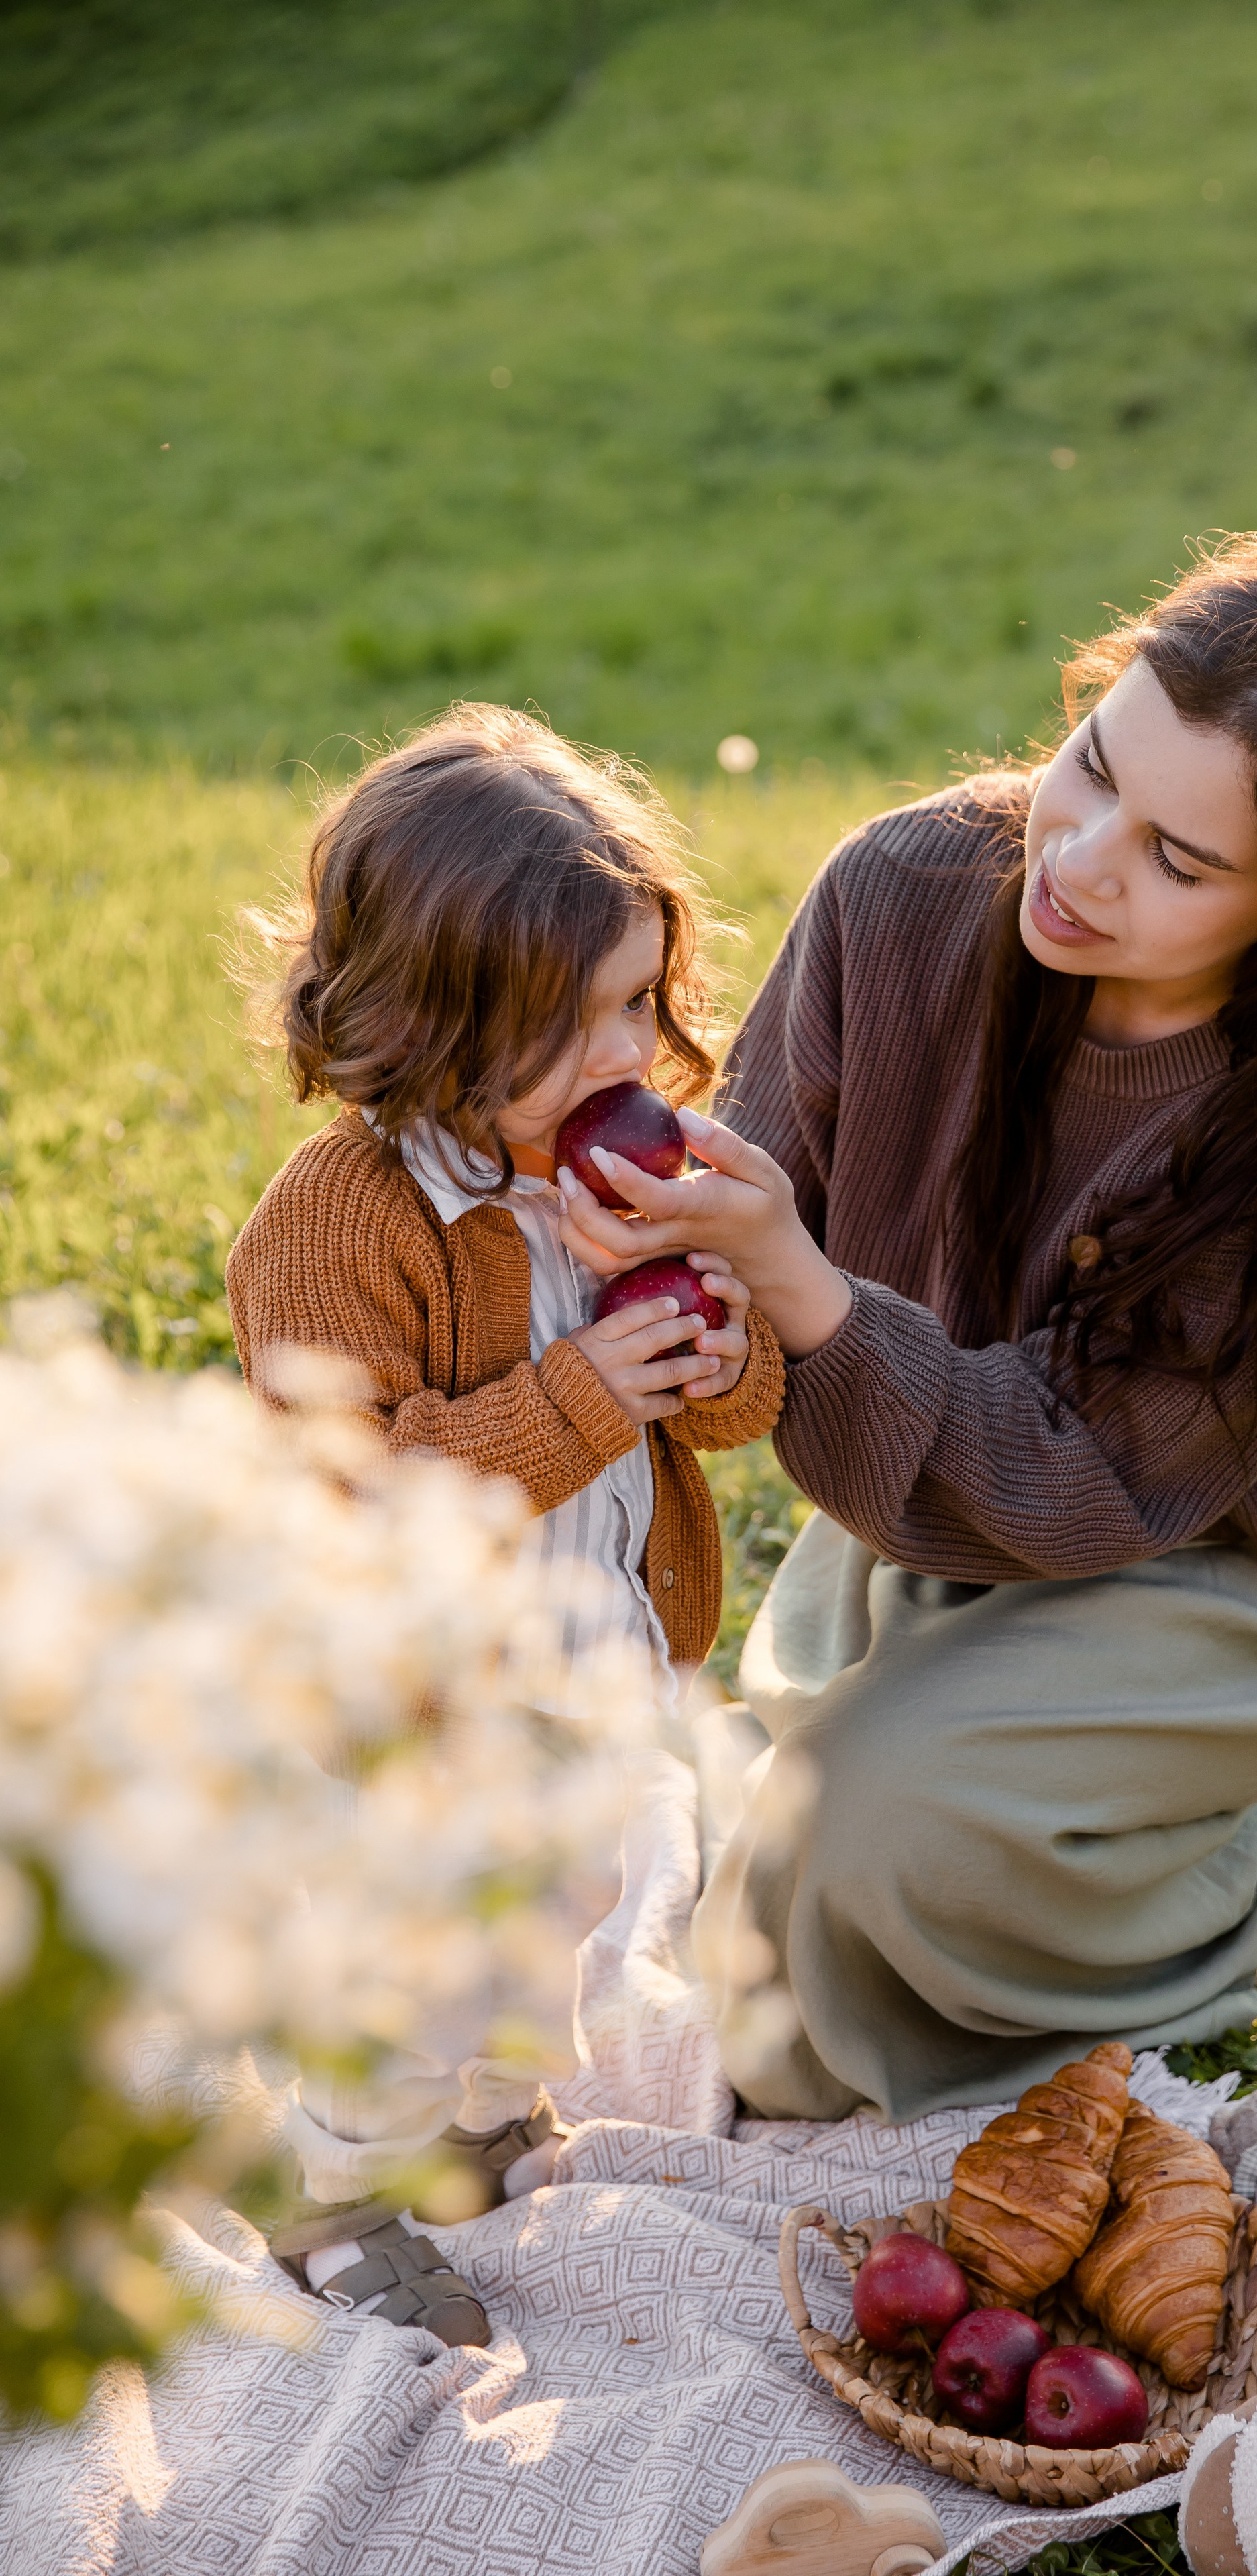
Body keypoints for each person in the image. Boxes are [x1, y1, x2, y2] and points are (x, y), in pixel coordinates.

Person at [556, 533, 1257, 2125]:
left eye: (1181, 861)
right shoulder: (902, 891)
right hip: (953, 1482)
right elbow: (726, 1242)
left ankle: (1208, 1893)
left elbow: (1074, 1485)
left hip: (1227, 1558)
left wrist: (797, 1279)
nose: (1085, 858)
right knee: (737, 1876)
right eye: (1093, 762)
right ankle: (1057, 1812)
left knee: (833, 1880)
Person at [226, 704, 782, 2337]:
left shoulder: (601, 1177)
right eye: (577, 1022)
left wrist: (711, 1339)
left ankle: (469, 2119)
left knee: (568, 1912)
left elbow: (731, 1424)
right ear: (433, 1025)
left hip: (587, 1670)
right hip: (416, 1710)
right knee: (412, 1960)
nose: (628, 1056)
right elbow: (358, 1501)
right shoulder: (336, 1225)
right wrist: (590, 1389)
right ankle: (330, 2190)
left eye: (638, 1001)